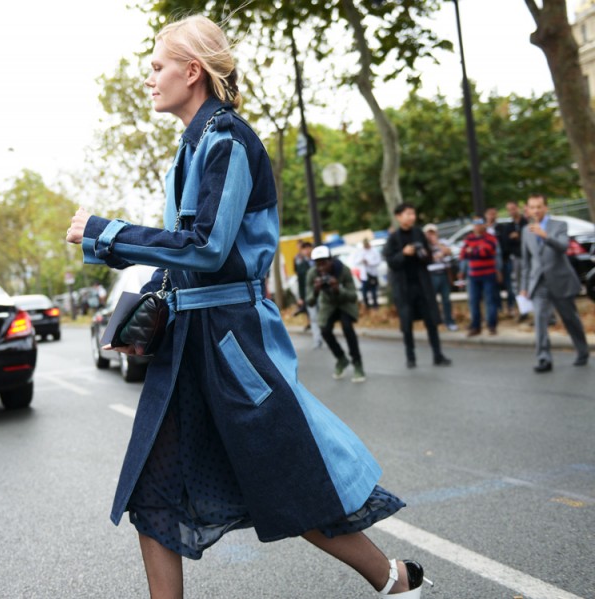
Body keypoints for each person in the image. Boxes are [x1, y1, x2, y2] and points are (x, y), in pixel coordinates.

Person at [66, 15, 430, 598]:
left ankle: (393, 579)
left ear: (192, 71)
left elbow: (208, 247)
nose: (149, 78)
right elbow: (186, 254)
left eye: (157, 66)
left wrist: (105, 232)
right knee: (152, 487)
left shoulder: (229, 141)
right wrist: (144, 300)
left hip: (232, 340)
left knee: (287, 479)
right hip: (189, 342)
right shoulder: (192, 148)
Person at [520, 193, 589, 372]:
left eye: (539, 207)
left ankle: (582, 351)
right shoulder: (526, 231)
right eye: (532, 207)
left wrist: (545, 236)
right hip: (539, 283)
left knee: (570, 319)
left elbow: (563, 247)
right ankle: (544, 358)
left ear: (546, 207)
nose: (535, 210)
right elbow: (526, 262)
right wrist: (523, 287)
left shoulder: (559, 225)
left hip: (560, 281)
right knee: (540, 321)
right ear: (528, 209)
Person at [383, 203, 452, 369]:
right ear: (399, 217)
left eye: (413, 214)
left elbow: (427, 257)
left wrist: (423, 253)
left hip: (422, 286)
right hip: (404, 288)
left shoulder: (418, 233)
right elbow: (391, 262)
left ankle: (438, 355)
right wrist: (403, 254)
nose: (411, 217)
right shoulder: (393, 238)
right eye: (408, 214)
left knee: (431, 321)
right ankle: (410, 357)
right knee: (407, 325)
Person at [306, 245, 365, 382]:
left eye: (324, 263)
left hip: (345, 304)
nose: (321, 268)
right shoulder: (312, 274)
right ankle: (341, 359)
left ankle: (357, 363)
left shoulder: (343, 270)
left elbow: (353, 296)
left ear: (331, 261)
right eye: (318, 264)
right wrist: (315, 290)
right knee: (324, 330)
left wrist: (338, 288)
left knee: (347, 328)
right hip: (328, 305)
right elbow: (309, 302)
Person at [459, 217, 500, 336]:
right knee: (473, 301)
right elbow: (463, 254)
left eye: (479, 224)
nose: (477, 227)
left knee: (490, 300)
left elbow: (486, 251)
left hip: (488, 274)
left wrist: (473, 250)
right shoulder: (469, 238)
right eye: (475, 225)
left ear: (484, 226)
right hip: (473, 275)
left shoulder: (490, 238)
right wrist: (475, 250)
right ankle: (476, 326)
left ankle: (492, 325)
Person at [496, 201, 528, 319]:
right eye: (509, 209)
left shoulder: (525, 222)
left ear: (517, 208)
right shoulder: (508, 226)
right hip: (517, 257)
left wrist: (517, 236)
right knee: (519, 284)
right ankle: (523, 310)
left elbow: (527, 238)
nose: (512, 212)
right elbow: (506, 242)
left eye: (513, 208)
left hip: (528, 257)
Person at [423, 224, 458, 331]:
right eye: (428, 233)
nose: (431, 235)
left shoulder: (442, 242)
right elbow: (426, 258)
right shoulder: (424, 246)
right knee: (432, 301)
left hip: (443, 274)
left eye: (432, 233)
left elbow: (448, 251)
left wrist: (436, 243)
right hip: (431, 276)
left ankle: (449, 321)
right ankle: (434, 321)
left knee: (446, 300)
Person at [294, 241, 322, 348]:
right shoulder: (301, 265)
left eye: (308, 248)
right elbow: (301, 283)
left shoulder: (319, 262)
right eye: (304, 249)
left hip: (321, 293)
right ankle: (317, 339)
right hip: (309, 294)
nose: (306, 251)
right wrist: (301, 297)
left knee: (323, 315)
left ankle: (325, 335)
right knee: (313, 317)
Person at [354, 238, 381, 309]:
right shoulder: (361, 251)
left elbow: (378, 261)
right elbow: (356, 261)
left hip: (372, 274)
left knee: (373, 291)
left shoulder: (374, 251)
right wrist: (361, 260)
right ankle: (367, 306)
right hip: (364, 276)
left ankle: (375, 306)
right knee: (364, 292)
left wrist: (369, 263)